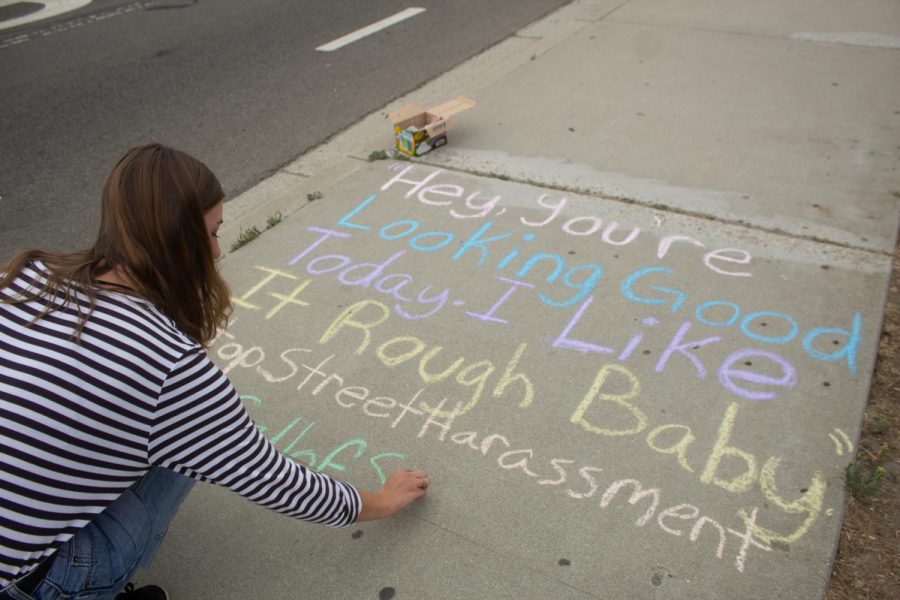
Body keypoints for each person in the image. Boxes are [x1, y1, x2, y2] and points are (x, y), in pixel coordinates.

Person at [0, 143, 430, 600]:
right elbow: (273, 480)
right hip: (34, 583)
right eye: (213, 233)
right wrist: (381, 502)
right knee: (190, 439)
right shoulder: (167, 365)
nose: (219, 251)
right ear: (178, 244)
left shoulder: (27, 275)